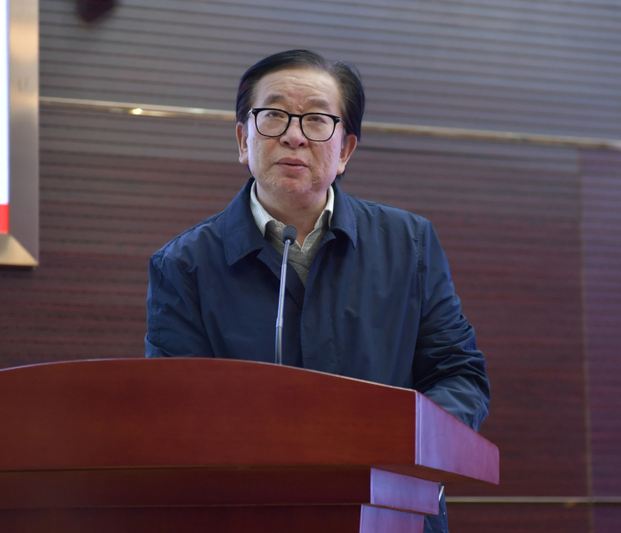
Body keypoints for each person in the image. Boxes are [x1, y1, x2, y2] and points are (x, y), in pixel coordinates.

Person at [145, 49, 490, 533]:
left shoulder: (408, 244)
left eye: (316, 119)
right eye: (274, 115)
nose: (294, 135)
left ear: (345, 150)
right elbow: (176, 413)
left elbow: (459, 375)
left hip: (391, 515)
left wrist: (405, 445)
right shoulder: (184, 264)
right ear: (243, 140)